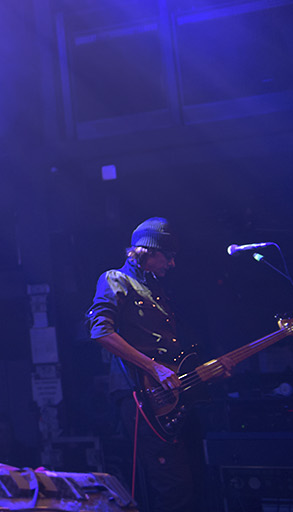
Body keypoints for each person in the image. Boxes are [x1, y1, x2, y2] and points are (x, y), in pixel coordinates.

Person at [86, 217, 225, 512]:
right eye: (168, 256)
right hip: (141, 394)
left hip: (171, 396)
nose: (172, 264)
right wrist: (153, 368)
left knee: (191, 481)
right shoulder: (115, 279)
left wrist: (207, 373)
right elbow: (100, 331)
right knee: (171, 485)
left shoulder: (158, 292)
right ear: (147, 252)